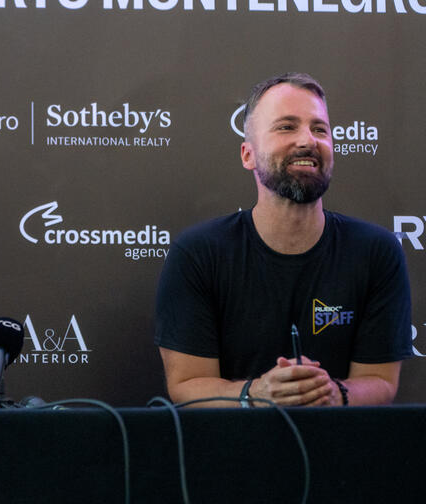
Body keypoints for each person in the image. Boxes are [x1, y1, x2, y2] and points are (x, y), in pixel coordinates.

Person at [155, 73, 411, 407]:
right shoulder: (198, 254)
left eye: (319, 129)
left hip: (340, 440)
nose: (307, 140)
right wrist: (256, 394)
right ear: (248, 155)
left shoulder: (376, 251)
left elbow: (380, 381)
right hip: (234, 440)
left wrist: (333, 393)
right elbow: (186, 385)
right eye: (286, 127)